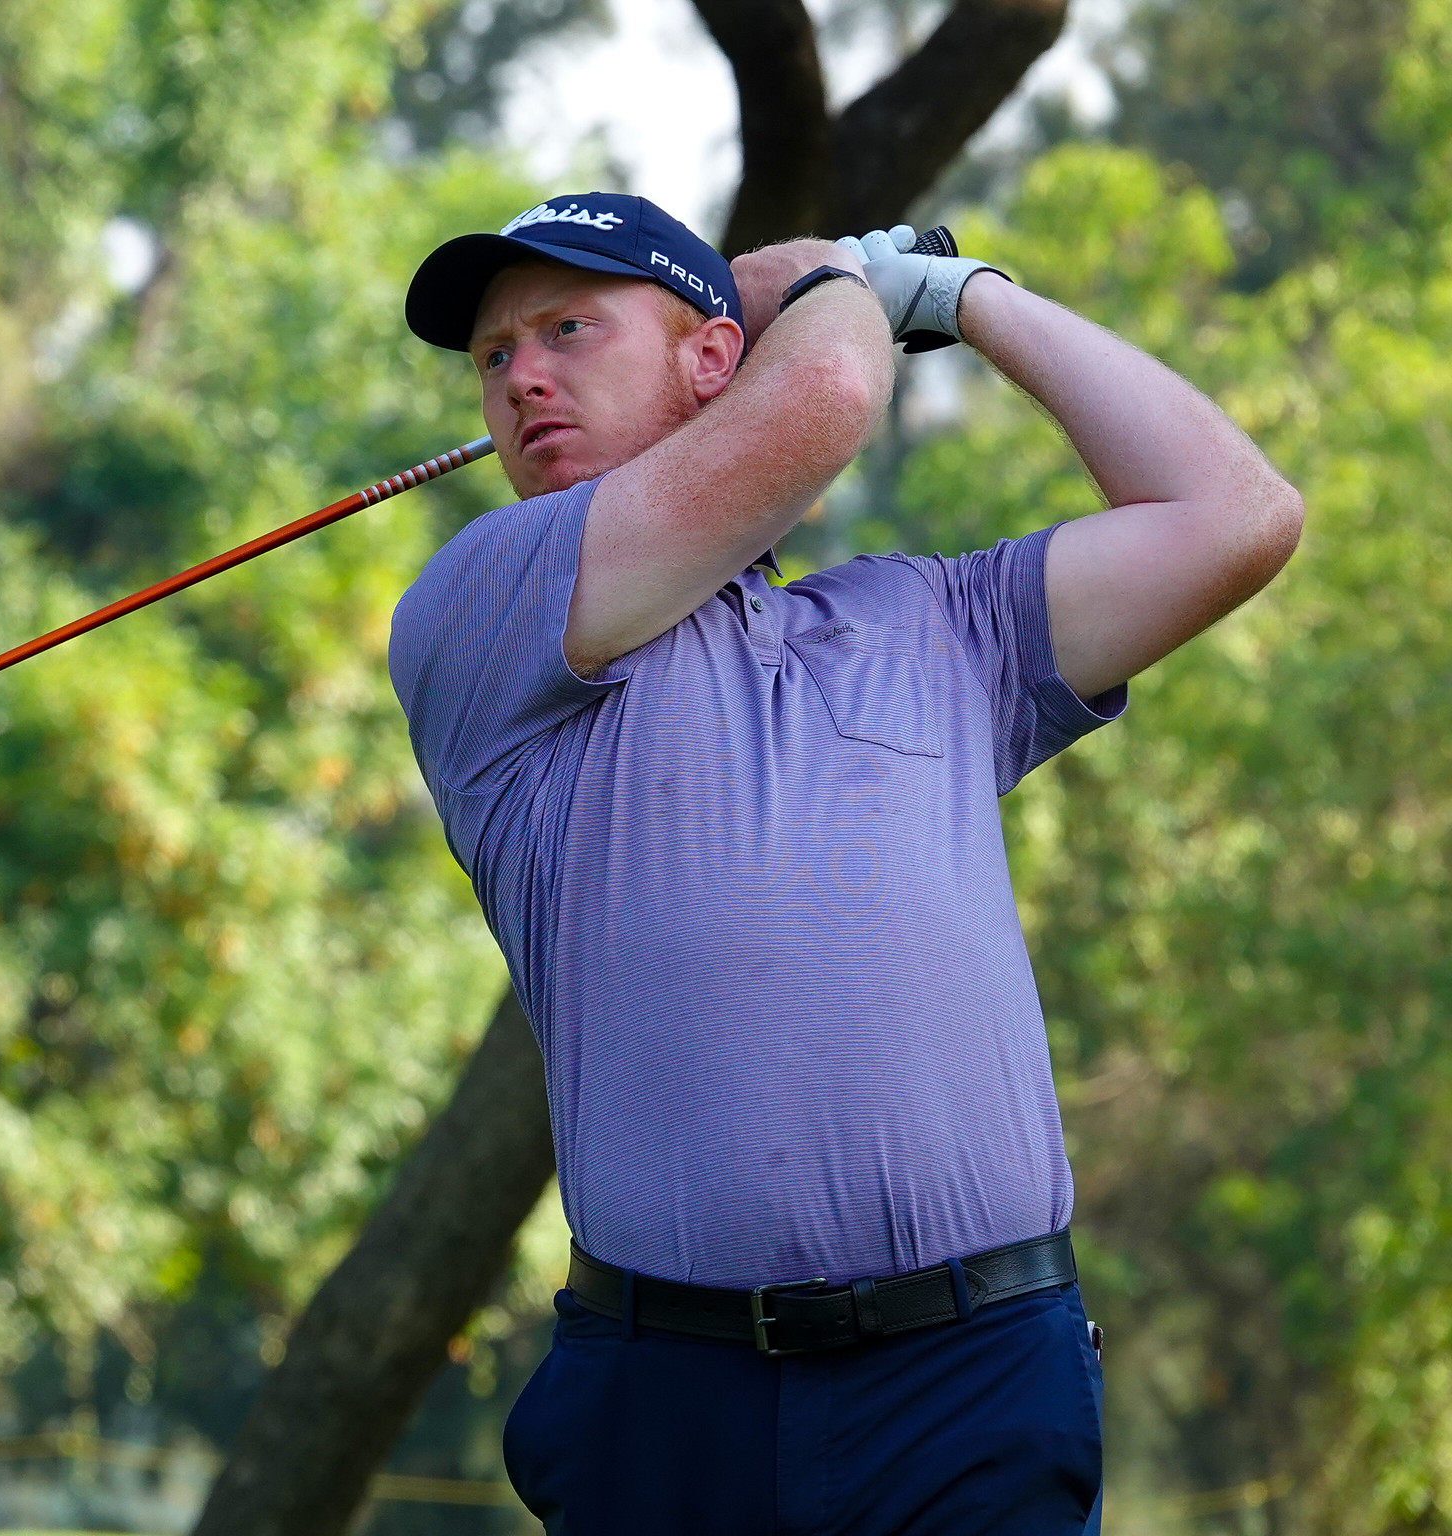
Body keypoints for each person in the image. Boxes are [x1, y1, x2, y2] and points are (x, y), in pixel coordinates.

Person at [387, 191, 1302, 1535]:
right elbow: (819, 398)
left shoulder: (928, 620)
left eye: (568, 328)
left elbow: (1236, 513)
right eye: (492, 355)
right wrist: (827, 278)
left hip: (974, 1378)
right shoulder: (484, 610)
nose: (520, 374)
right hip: (671, 1396)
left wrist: (969, 295)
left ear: (710, 358)